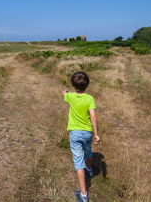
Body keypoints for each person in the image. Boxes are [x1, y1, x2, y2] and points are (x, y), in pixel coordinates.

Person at [63, 71, 100, 202]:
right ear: (87, 85)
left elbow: (64, 94)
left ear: (73, 84)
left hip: (75, 133)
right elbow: (93, 116)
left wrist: (66, 92)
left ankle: (83, 194)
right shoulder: (89, 98)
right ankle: (89, 170)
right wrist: (96, 135)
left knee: (79, 163)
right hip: (87, 132)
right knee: (88, 151)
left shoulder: (70, 97)